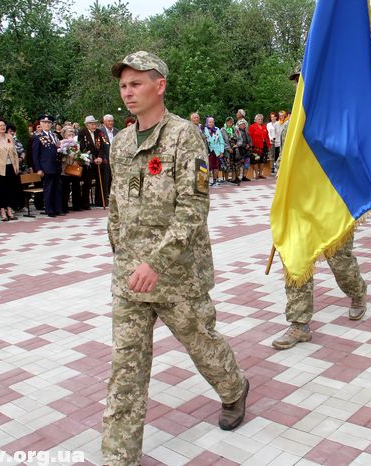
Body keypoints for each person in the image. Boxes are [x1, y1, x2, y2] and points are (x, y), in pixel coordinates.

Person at [103, 51, 249, 465]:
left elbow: (193, 208)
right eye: (123, 85)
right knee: (125, 370)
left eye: (136, 83)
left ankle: (234, 389)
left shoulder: (185, 136)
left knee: (201, 344)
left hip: (178, 275)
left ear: (160, 85)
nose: (128, 92)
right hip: (130, 278)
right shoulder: (122, 142)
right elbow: (115, 204)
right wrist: (122, 253)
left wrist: (156, 262)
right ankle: (119, 457)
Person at [0, 119, 21, 221]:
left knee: (10, 189)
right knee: (1, 190)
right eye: (0, 125)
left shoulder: (9, 137)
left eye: (4, 125)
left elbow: (14, 153)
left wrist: (16, 166)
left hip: (10, 166)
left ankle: (9, 209)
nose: (3, 127)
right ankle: (2, 211)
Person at [31, 114, 62, 217]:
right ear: (40, 124)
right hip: (46, 167)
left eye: (49, 123)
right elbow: (35, 155)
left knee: (57, 188)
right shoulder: (38, 137)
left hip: (56, 165)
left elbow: (57, 149)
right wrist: (38, 169)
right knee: (48, 189)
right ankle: (50, 210)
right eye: (44, 123)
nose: (47, 124)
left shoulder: (54, 136)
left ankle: (57, 208)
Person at [78, 116, 106, 210]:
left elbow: (102, 146)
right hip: (88, 161)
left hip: (99, 160)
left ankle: (99, 201)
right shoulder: (82, 132)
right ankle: (85, 203)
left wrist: (100, 157)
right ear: (87, 125)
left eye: (95, 124)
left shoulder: (99, 132)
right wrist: (93, 158)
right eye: (92, 124)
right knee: (87, 182)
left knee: (100, 180)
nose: (94, 126)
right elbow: (83, 147)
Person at [96, 114, 117, 207]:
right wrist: (102, 157)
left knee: (114, 180)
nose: (111, 123)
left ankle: (113, 199)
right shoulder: (100, 131)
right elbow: (98, 146)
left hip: (115, 159)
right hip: (104, 159)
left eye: (112, 121)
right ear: (104, 122)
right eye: (109, 121)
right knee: (105, 180)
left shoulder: (116, 131)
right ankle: (103, 200)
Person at [59, 125, 80, 213]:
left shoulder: (76, 143)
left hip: (74, 166)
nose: (71, 135)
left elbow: (78, 152)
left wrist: (78, 156)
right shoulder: (61, 142)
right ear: (64, 134)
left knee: (76, 186)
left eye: (72, 133)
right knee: (65, 187)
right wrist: (64, 156)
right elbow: (59, 154)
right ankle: (64, 206)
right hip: (65, 167)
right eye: (69, 133)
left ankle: (76, 206)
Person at [248, 113, 271, 180]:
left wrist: (269, 145)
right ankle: (256, 174)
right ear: (255, 120)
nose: (260, 120)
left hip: (264, 145)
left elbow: (267, 136)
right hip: (256, 146)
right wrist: (251, 145)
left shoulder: (264, 126)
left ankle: (261, 174)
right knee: (256, 160)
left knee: (263, 160)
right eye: (259, 119)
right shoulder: (252, 127)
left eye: (261, 119)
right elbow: (250, 137)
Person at [204, 117, 225, 186]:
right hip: (208, 151)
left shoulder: (217, 129)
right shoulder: (204, 129)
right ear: (207, 122)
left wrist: (222, 151)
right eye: (210, 122)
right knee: (207, 167)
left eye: (212, 122)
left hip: (216, 151)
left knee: (215, 167)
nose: (211, 123)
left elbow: (221, 141)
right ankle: (206, 181)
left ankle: (215, 180)